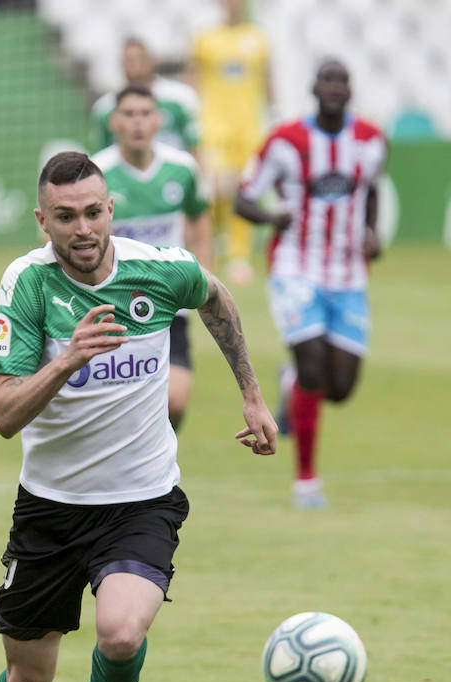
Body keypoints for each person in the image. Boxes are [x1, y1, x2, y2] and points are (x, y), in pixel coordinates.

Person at [0, 152, 277, 682]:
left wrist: (250, 392)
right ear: (41, 219)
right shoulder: (27, 285)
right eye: (65, 217)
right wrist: (64, 360)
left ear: (110, 208)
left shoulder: (157, 267)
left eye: (93, 212)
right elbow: (1, 416)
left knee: (119, 633)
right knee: (27, 681)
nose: (81, 229)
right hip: (50, 510)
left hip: (140, 499)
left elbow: (214, 297)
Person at [234, 58, 387, 509]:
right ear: (313, 88)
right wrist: (271, 216)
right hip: (295, 268)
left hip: (348, 275)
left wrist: (372, 234)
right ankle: (306, 481)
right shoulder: (284, 141)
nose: (335, 88)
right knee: (316, 368)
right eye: (327, 80)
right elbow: (244, 199)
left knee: (339, 388)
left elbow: (372, 190)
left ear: (351, 90)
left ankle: (291, 381)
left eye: (343, 81)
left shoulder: (371, 141)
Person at [93, 85, 213, 429]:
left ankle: (157, 461)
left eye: (145, 114)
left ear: (159, 120)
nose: (138, 123)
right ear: (114, 122)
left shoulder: (182, 169)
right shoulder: (97, 173)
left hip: (167, 300)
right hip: (112, 303)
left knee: (175, 400)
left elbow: (200, 220)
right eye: (129, 114)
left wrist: (201, 277)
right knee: (119, 403)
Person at [190, 0, 272, 286]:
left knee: (243, 192)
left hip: (249, 129)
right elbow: (194, 80)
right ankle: (206, 251)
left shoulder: (258, 39)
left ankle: (239, 257)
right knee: (213, 192)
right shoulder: (205, 39)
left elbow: (267, 82)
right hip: (214, 128)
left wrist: (273, 115)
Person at [90, 37, 200, 156]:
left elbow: (194, 143)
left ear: (151, 61)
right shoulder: (105, 106)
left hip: (172, 174)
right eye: (128, 60)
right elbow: (101, 149)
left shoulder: (180, 97)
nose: (134, 65)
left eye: (139, 59)